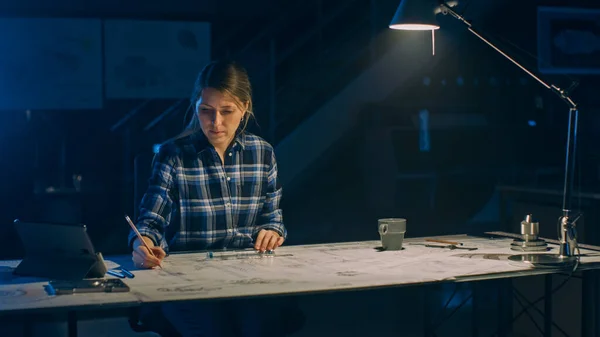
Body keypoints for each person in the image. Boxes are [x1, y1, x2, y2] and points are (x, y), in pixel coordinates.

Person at [128, 60, 292, 337]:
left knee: (259, 328)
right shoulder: (173, 155)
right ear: (195, 108)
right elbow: (150, 221)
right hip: (190, 280)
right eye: (206, 111)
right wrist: (142, 243)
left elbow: (272, 217)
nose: (215, 122)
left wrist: (272, 231)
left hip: (249, 276)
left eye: (227, 111)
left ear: (245, 108)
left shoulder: (262, 153)